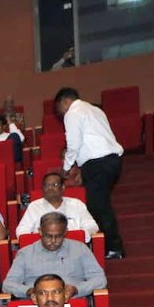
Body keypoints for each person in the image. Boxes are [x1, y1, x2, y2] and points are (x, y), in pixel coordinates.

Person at [55, 87, 126, 259]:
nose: (60, 113)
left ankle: (113, 247)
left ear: (65, 101)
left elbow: (74, 144)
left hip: (97, 164)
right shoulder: (95, 109)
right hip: (113, 160)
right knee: (100, 204)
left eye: (59, 108)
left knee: (98, 207)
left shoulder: (72, 113)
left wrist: (66, 168)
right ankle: (108, 245)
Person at [3, 212, 107, 299]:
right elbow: (8, 284)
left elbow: (99, 279)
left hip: (71, 303)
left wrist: (77, 289)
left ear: (65, 232)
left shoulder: (80, 249)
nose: (53, 241)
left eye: (58, 236)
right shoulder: (25, 253)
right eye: (48, 236)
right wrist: (29, 291)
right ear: (40, 231)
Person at [16, 172, 99, 241]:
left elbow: (92, 226)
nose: (50, 188)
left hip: (74, 248)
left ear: (62, 187)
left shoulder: (76, 204)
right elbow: (21, 231)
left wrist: (77, 237)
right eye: (47, 185)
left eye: (54, 184)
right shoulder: (34, 206)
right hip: (43, 250)